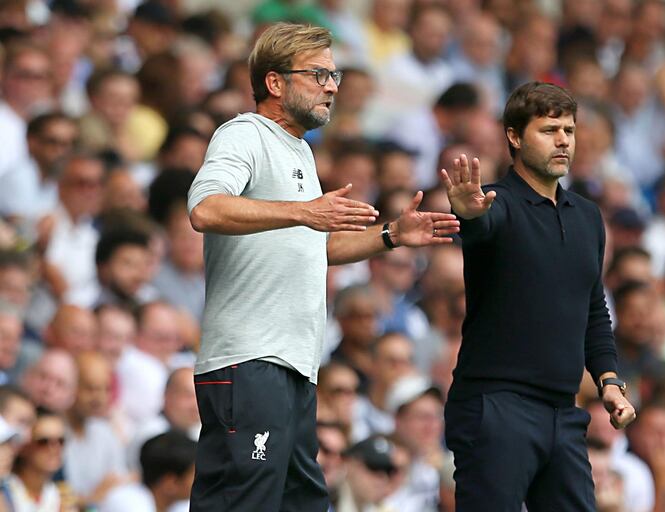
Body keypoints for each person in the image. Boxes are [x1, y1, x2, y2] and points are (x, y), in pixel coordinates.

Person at [186, 22, 458, 511]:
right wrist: (304, 212)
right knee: (244, 502)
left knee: (304, 502)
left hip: (294, 364)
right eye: (319, 74)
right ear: (275, 82)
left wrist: (392, 235)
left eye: (334, 76)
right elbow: (205, 209)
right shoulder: (244, 133)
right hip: (249, 360)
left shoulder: (301, 152)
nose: (333, 86)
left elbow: (314, 246)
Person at [438, 81, 635, 511]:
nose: (563, 140)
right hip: (496, 405)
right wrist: (467, 214)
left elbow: (593, 309)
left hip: (564, 413)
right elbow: (478, 227)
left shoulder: (587, 216)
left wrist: (609, 381)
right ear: (514, 136)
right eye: (549, 130)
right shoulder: (496, 203)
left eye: (569, 129)